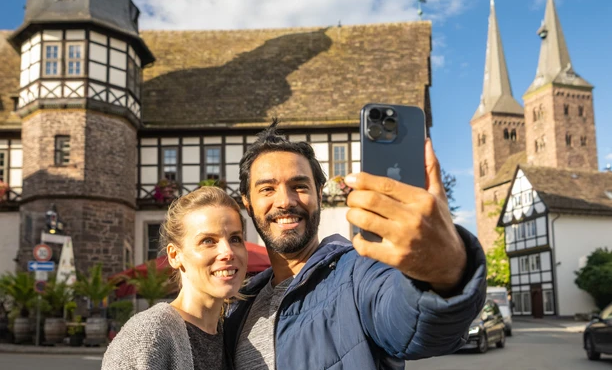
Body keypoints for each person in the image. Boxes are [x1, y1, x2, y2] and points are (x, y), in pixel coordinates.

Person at [224, 121, 487, 369]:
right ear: (247, 203)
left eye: (300, 186)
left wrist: (444, 271)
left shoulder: (358, 273)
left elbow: (415, 325)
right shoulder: (239, 305)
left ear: (320, 194)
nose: (285, 201)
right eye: (267, 189)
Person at [103, 186, 247, 370]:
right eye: (208, 241)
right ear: (174, 255)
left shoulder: (232, 336)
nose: (227, 252)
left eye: (235, 239)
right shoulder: (149, 334)